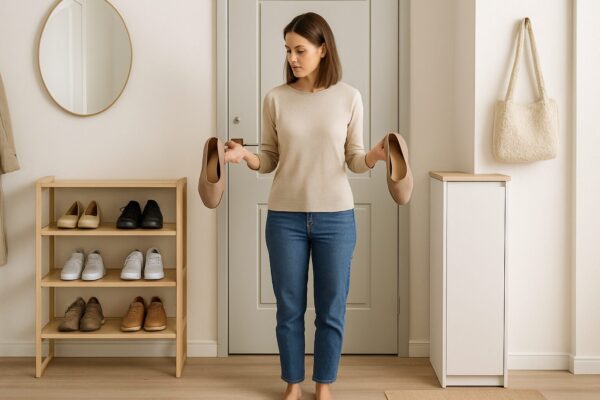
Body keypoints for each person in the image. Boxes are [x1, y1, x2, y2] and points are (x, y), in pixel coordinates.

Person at [224, 11, 386, 400]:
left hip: (337, 219)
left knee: (331, 310)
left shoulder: (349, 97)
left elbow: (354, 158)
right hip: (284, 218)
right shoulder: (276, 99)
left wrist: (376, 156)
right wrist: (246, 156)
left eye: (300, 50)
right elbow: (270, 158)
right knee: (289, 309)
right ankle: (293, 384)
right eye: (288, 50)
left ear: (323, 50)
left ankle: (324, 385)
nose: (292, 58)